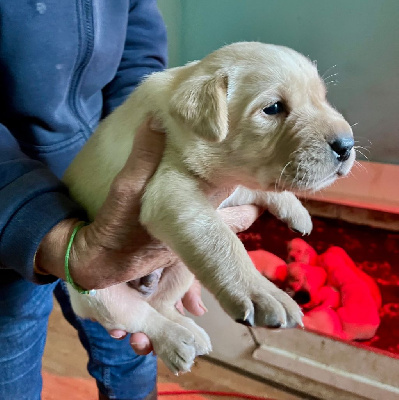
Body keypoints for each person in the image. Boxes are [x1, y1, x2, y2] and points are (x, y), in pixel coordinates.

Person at [0, 1, 261, 399]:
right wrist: (39, 224)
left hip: (100, 189)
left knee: (134, 354)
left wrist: (163, 199)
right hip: (8, 213)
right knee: (10, 367)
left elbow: (137, 62)